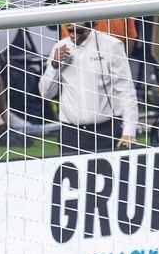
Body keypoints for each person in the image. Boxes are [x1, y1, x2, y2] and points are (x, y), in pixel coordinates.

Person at [39, 21, 139, 155]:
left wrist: (129, 132)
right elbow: (45, 94)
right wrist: (54, 66)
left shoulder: (111, 45)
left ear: (92, 25)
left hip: (106, 132)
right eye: (70, 30)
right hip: (71, 135)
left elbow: (126, 91)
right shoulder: (60, 48)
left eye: (78, 30)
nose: (73, 33)